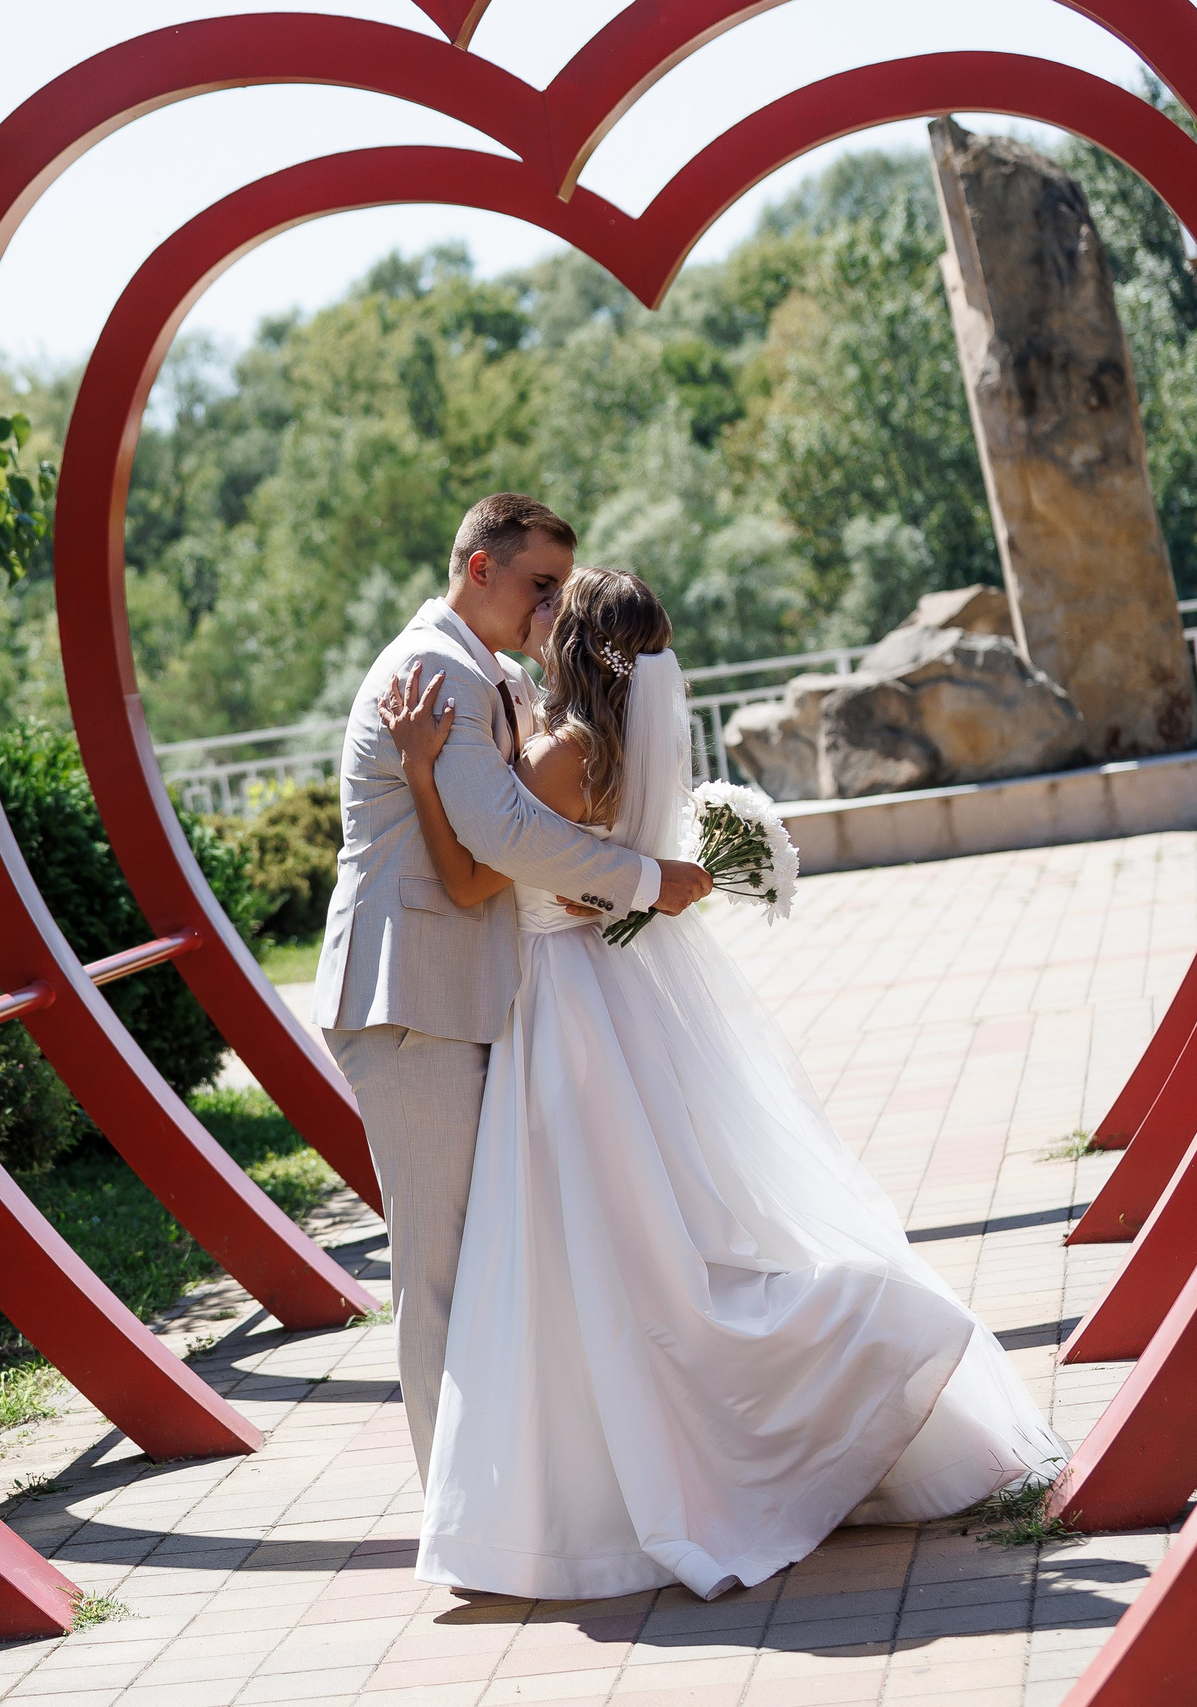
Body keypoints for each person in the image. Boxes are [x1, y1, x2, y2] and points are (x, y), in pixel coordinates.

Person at [382, 563, 1062, 1600]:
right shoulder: (609, 752)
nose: (538, 612)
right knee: (648, 1233)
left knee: (606, 1248)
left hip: (564, 1008)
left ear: (575, 649)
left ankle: (836, 1359)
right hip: (608, 993)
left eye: (552, 608)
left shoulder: (563, 760)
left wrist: (424, 770)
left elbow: (473, 879)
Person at [311, 493, 716, 1499]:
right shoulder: (432, 671)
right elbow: (499, 837)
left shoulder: (491, 678)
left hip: (476, 994)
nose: (552, 609)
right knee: (438, 1272)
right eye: (539, 585)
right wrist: (644, 882)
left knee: (493, 1260)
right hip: (411, 1001)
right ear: (478, 569)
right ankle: (459, 1514)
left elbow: (503, 851)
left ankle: (525, 1492)